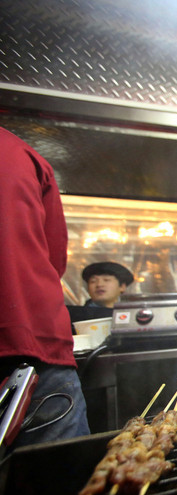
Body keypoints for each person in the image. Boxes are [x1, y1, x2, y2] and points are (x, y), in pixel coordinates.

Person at [0, 127, 90, 449]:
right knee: (61, 474)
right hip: (37, 346)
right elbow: (54, 261)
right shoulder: (22, 153)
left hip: (31, 355)